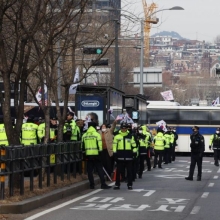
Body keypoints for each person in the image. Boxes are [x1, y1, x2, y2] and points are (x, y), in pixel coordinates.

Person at [81, 121, 111, 190]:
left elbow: (82, 146)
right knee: (100, 169)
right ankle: (103, 184)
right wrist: (100, 154)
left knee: (89, 171)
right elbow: (100, 146)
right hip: (96, 155)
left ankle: (92, 185)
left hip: (88, 155)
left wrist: (84, 155)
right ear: (94, 127)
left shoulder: (84, 135)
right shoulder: (97, 134)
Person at [113, 123, 137, 190]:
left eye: (125, 128)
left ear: (127, 129)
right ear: (120, 128)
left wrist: (134, 153)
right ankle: (117, 185)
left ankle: (129, 185)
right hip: (120, 156)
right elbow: (114, 146)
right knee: (118, 172)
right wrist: (115, 154)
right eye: (122, 128)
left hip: (129, 156)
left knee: (129, 171)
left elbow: (134, 146)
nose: (124, 129)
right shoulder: (117, 136)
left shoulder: (130, 136)